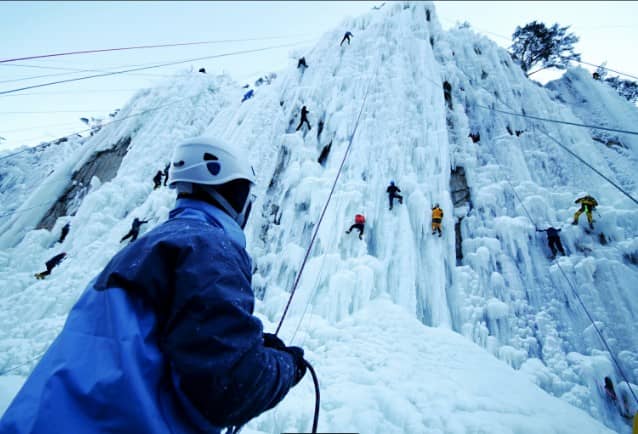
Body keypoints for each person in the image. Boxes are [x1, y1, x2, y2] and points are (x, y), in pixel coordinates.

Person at [0, 136, 306, 434]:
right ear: (236, 194)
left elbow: (156, 336)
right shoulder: (208, 246)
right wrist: (288, 365)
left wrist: (248, 344)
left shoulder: (149, 245)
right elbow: (229, 387)